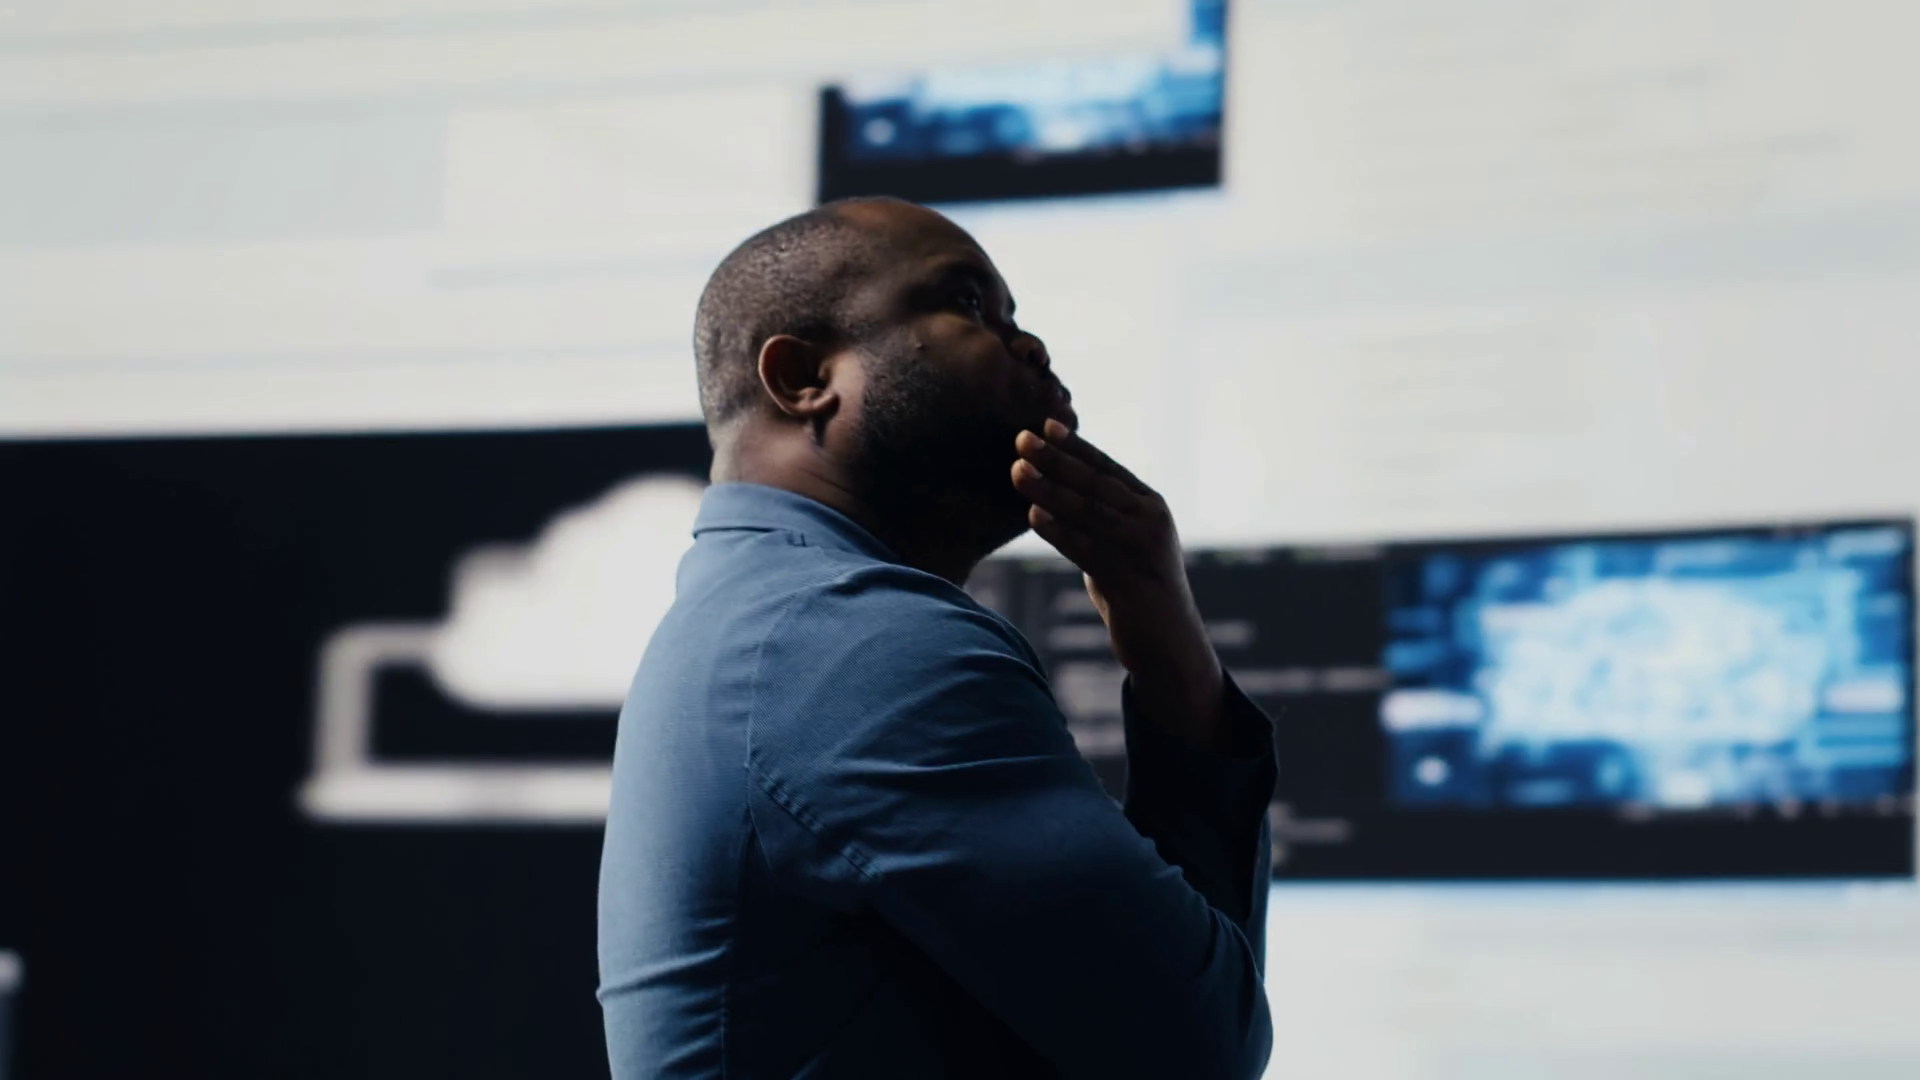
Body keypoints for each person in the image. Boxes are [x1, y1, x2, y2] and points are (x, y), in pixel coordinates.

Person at [598, 197, 1277, 1079]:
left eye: (1015, 316)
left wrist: (1161, 627)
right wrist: (1172, 658)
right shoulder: (851, 642)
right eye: (967, 303)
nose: (1030, 346)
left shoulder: (769, 621)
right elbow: (1197, 1052)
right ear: (802, 377)